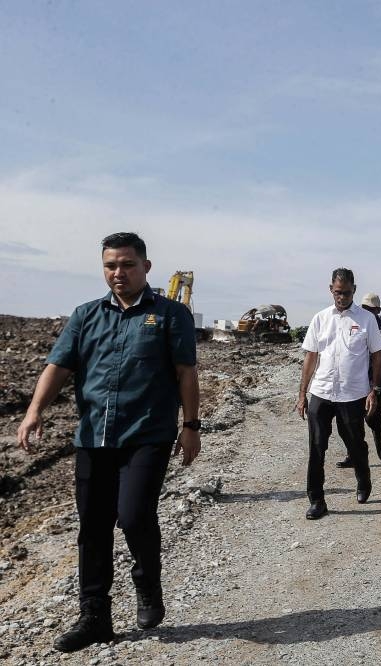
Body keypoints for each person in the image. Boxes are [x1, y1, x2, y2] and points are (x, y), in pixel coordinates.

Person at [16, 232, 201, 652]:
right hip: (94, 437)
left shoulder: (171, 314)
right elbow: (58, 366)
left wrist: (191, 425)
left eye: (127, 265)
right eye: (110, 266)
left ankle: (147, 584)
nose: (118, 273)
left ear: (146, 267)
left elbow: (186, 372)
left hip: (147, 435)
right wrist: (34, 411)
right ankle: (95, 615)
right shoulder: (86, 315)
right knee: (93, 528)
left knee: (134, 516)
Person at [296, 268, 381, 520]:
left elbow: (377, 356)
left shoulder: (367, 320)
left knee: (355, 444)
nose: (342, 297)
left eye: (346, 293)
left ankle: (363, 479)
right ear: (330, 290)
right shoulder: (320, 319)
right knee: (316, 447)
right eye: (337, 292)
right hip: (321, 392)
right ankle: (316, 499)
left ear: (354, 290)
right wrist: (302, 394)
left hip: (352, 394)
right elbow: (311, 357)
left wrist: (374, 390)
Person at [359, 292, 381, 463]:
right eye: (364, 308)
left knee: (373, 413)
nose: (367, 311)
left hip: (376, 378)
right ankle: (353, 453)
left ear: (378, 310)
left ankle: (378, 440)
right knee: (353, 416)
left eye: (371, 309)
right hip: (356, 377)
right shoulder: (357, 324)